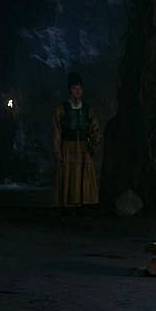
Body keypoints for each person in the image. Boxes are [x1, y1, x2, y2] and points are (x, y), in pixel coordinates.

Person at [53, 72, 101, 210]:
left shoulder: (87, 109)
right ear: (70, 90)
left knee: (83, 174)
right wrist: (57, 150)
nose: (77, 91)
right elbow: (57, 130)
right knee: (69, 174)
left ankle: (84, 204)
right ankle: (67, 205)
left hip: (83, 147)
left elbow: (94, 128)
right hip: (67, 147)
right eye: (74, 88)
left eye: (80, 88)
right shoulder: (62, 109)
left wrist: (94, 143)